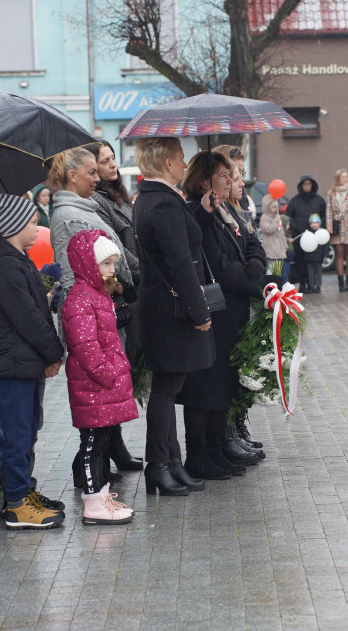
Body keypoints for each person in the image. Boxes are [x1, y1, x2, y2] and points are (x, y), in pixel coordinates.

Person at [48, 146, 142, 477]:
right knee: (99, 390)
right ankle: (89, 466)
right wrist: (112, 294)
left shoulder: (83, 207)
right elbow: (77, 270)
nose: (97, 177)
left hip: (105, 305)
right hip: (94, 313)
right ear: (72, 176)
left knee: (111, 388)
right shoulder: (69, 215)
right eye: (91, 172)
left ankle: (110, 450)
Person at [132, 137, 213, 497]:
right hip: (171, 310)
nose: (184, 164)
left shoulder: (154, 198)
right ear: (166, 163)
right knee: (165, 391)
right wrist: (199, 310)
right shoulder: (163, 203)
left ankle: (172, 463)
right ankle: (159, 466)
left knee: (168, 388)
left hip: (162, 305)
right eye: (181, 159)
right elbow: (180, 262)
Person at [178, 151, 267, 480]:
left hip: (235, 310)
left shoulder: (231, 211)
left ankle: (216, 447)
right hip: (216, 309)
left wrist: (255, 266)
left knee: (224, 382)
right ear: (205, 182)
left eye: (232, 176)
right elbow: (219, 262)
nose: (232, 181)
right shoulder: (198, 213)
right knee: (206, 386)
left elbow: (253, 244)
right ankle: (199, 453)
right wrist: (249, 277)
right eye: (225, 176)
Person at [0, 194, 66, 530]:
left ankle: (22, 492)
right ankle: (17, 503)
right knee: (17, 433)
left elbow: (35, 307)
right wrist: (53, 351)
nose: (38, 227)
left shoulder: (17, 258)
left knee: (27, 430)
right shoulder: (5, 263)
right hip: (13, 363)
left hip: (23, 361)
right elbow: (28, 317)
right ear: (15, 224)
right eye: (33, 222)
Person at [62, 231, 137, 524]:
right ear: (87, 264)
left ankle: (100, 493)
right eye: (106, 264)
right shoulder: (81, 298)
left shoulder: (97, 293)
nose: (112, 270)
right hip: (93, 384)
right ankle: (93, 501)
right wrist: (108, 373)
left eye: (113, 263)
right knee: (92, 444)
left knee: (100, 441)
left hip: (101, 384)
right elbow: (85, 345)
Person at [89, 141, 143, 370]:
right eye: (105, 161)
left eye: (112, 158)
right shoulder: (97, 202)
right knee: (127, 359)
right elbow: (115, 247)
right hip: (124, 286)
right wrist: (145, 270)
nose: (113, 165)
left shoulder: (118, 194)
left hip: (138, 282)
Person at [285, 175, 325, 293]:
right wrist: (294, 226)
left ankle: (313, 285)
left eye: (309, 184)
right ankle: (302, 284)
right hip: (299, 237)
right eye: (304, 184)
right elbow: (288, 216)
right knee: (300, 262)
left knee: (314, 263)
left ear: (312, 185)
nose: (307, 186)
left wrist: (319, 228)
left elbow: (324, 215)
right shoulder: (295, 200)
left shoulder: (319, 200)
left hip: (315, 238)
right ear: (301, 186)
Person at [326, 169, 348, 292]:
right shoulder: (331, 193)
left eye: (347, 177)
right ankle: (341, 282)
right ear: (337, 179)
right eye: (343, 177)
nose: (346, 179)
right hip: (337, 225)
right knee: (339, 254)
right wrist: (329, 227)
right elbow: (328, 212)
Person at [259, 194, 289, 275]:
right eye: (273, 207)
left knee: (277, 272)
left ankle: (276, 284)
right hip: (270, 249)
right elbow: (268, 229)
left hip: (279, 248)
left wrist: (285, 245)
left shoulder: (277, 216)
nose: (275, 209)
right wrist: (276, 220)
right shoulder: (264, 217)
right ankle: (270, 285)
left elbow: (281, 232)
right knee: (270, 271)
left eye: (276, 207)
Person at [303, 214, 325, 293]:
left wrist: (324, 255)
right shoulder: (308, 233)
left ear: (319, 223)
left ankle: (318, 286)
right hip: (309, 257)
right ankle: (311, 286)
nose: (314, 225)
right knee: (310, 273)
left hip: (319, 257)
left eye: (316, 222)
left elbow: (325, 245)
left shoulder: (322, 233)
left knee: (318, 272)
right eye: (312, 223)